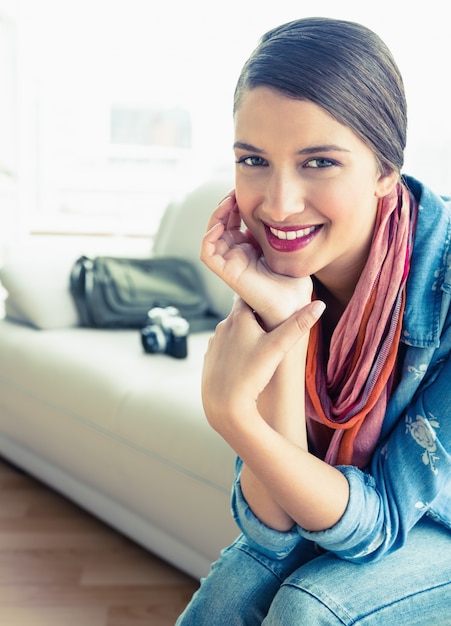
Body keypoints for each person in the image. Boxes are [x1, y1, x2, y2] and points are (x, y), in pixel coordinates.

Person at [176, 16, 451, 625]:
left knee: (313, 608)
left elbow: (374, 525)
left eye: (319, 163)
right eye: (253, 160)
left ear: (385, 171)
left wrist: (234, 418)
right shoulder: (281, 269)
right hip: (363, 516)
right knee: (240, 582)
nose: (277, 204)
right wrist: (283, 318)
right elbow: (271, 531)